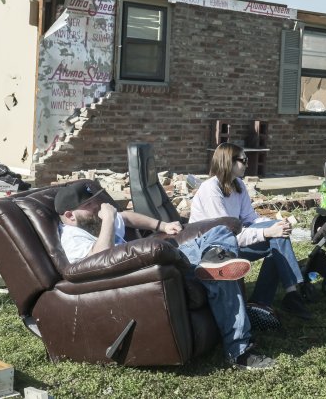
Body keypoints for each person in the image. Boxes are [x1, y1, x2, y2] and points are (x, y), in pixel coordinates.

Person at [54, 181, 274, 370]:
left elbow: (127, 217)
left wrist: (161, 225)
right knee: (218, 270)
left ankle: (214, 260)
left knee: (221, 233)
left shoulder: (95, 222)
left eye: (96, 201)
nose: (98, 207)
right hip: (146, 274)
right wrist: (109, 220)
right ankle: (239, 350)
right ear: (70, 215)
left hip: (164, 261)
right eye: (89, 204)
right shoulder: (73, 238)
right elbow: (99, 261)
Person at [190, 143, 312, 324]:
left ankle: (267, 301)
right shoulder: (211, 189)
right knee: (273, 235)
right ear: (228, 162)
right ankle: (293, 293)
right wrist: (267, 232)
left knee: (277, 235)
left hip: (231, 241)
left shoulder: (237, 184)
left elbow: (249, 218)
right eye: (243, 160)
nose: (247, 164)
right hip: (213, 250)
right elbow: (225, 236)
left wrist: (276, 225)